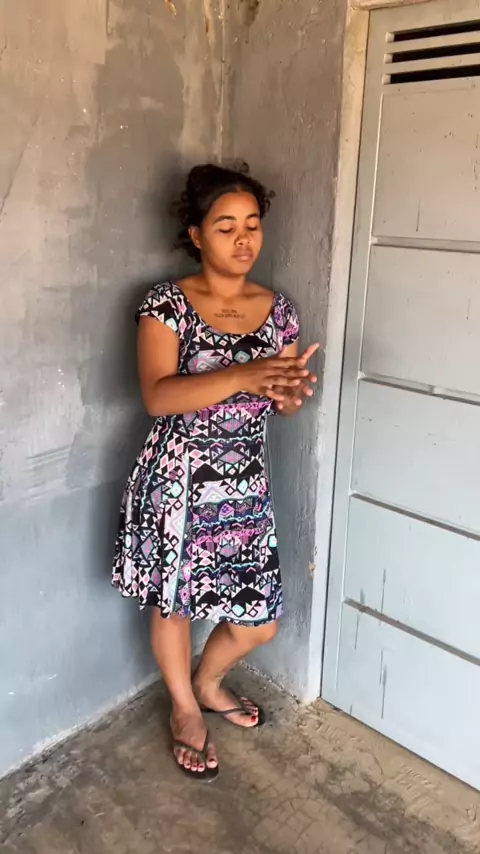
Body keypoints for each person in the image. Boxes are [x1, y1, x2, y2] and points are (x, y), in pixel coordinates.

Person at [112, 162, 319, 782]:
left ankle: (207, 680)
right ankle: (184, 707)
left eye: (252, 224)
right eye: (226, 227)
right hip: (177, 479)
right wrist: (244, 375)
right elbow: (158, 396)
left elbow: (278, 401)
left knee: (260, 622)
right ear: (197, 235)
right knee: (174, 603)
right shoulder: (166, 304)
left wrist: (288, 393)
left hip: (245, 485)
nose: (243, 238)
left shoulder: (279, 312)